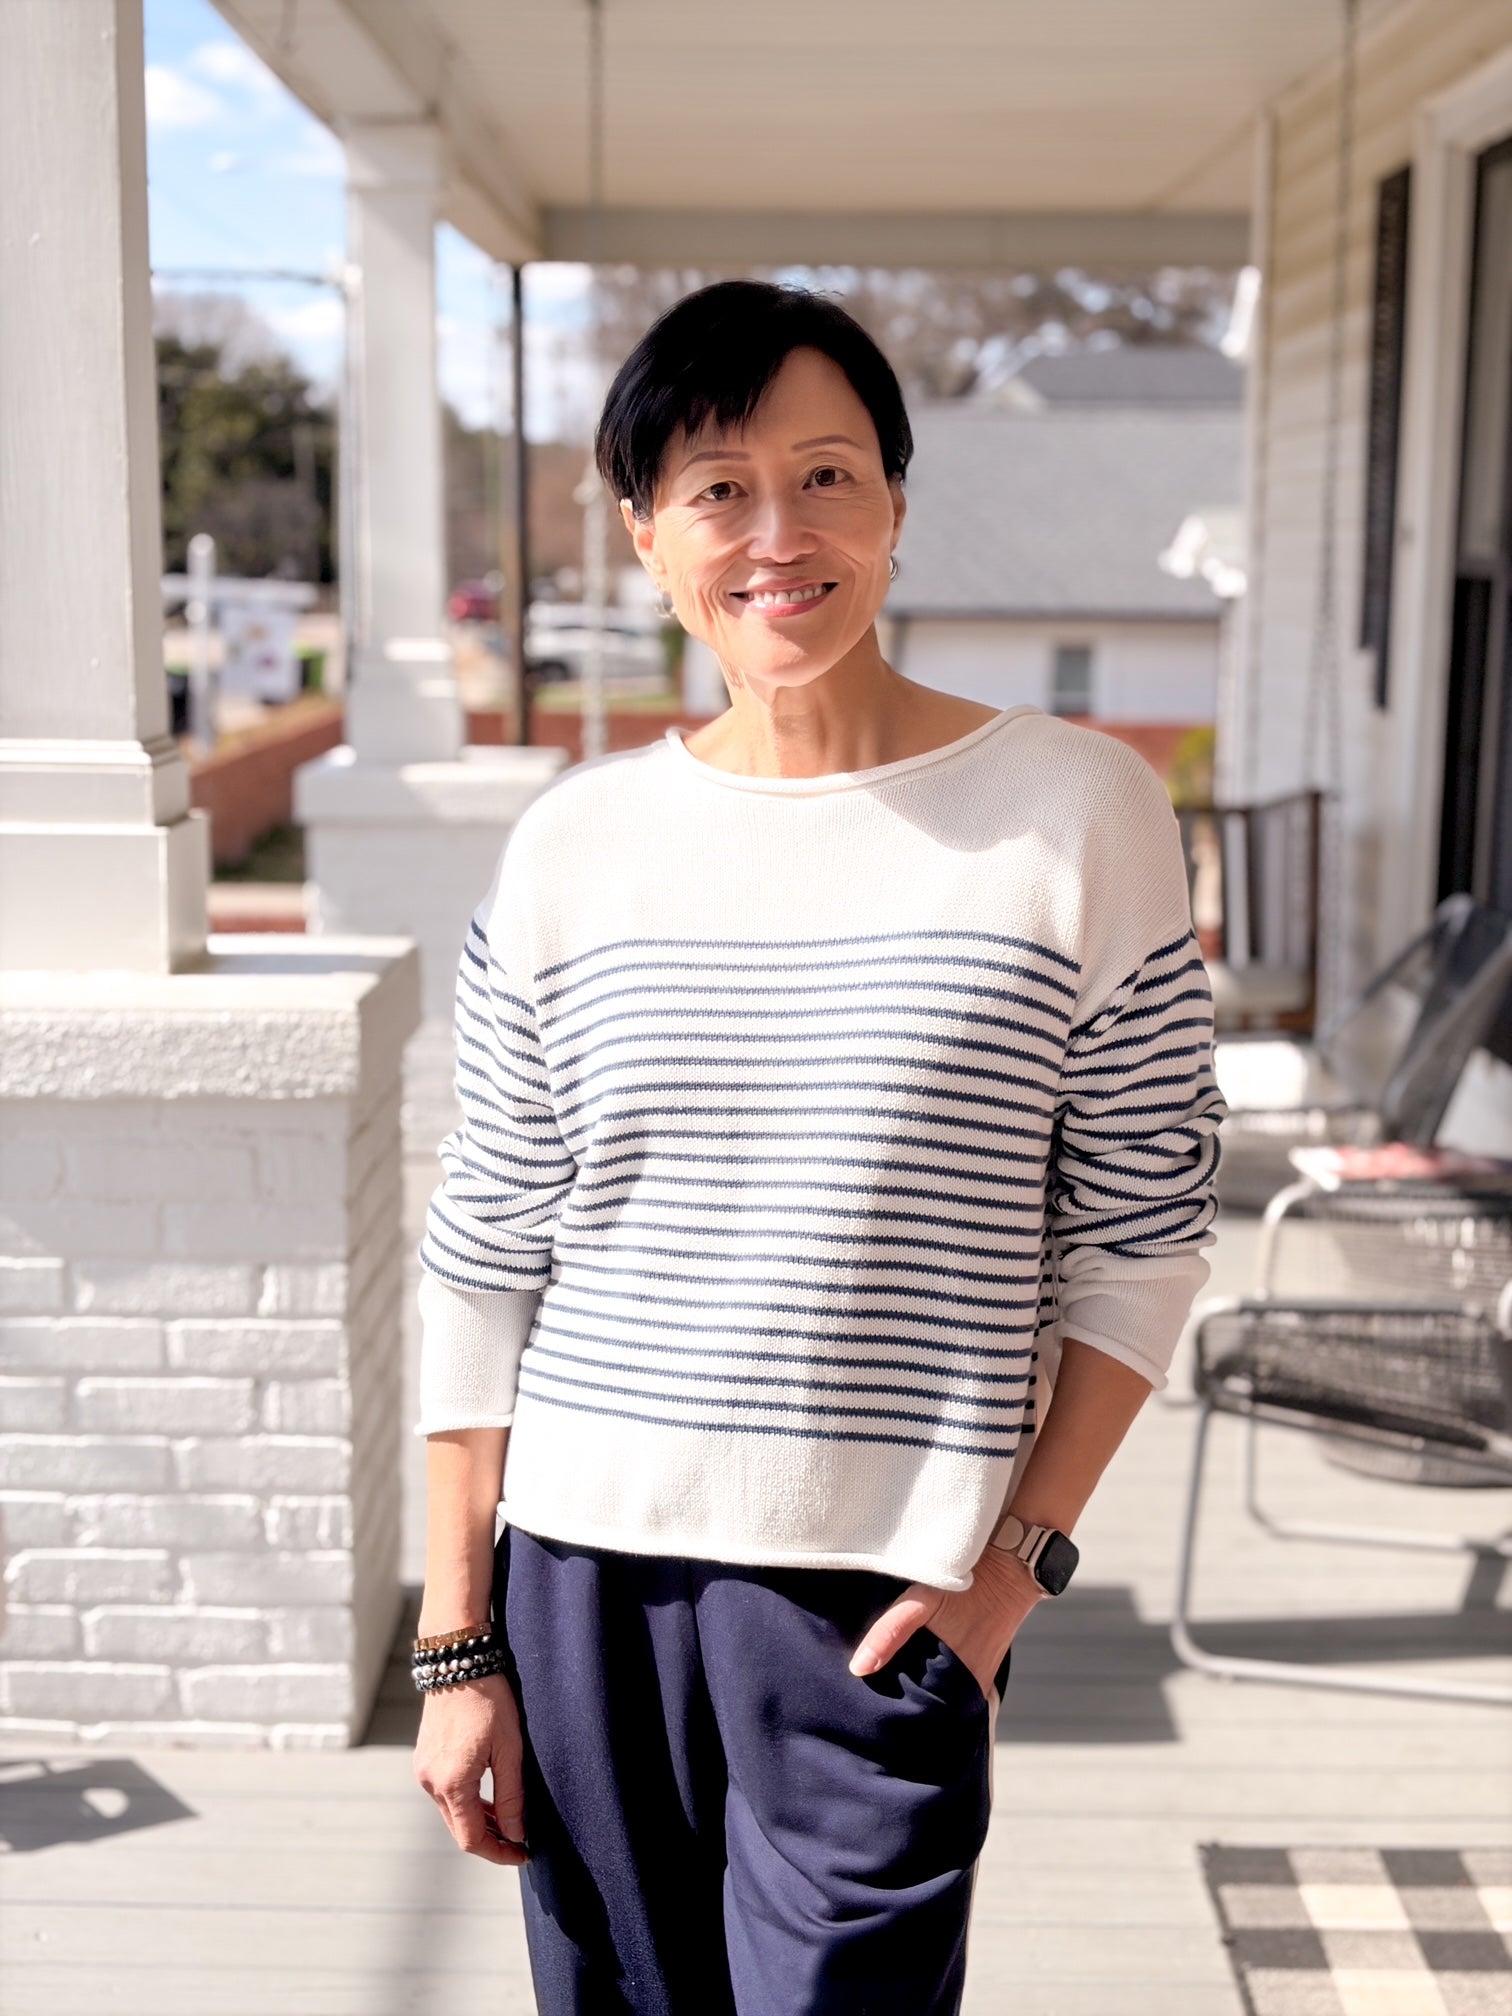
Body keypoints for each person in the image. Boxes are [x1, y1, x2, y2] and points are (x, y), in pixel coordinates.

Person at [411, 279, 1225, 2015]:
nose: (777, 534)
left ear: (897, 505)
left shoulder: (1076, 815)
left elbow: (1146, 1228)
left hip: (888, 1594)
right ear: (646, 535)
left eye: (827, 477)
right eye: (718, 489)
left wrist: (1018, 1567)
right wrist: (459, 1642)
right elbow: (485, 1255)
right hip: (584, 1580)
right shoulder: (572, 851)